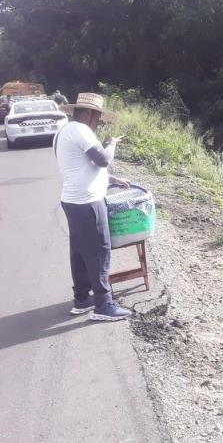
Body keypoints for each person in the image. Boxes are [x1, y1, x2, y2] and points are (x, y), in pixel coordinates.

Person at [54, 92, 131, 321]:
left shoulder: (63, 131)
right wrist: (111, 144)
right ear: (87, 114)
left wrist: (112, 180)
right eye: (97, 117)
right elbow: (103, 160)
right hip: (87, 203)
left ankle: (82, 299)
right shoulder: (81, 130)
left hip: (73, 201)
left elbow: (80, 167)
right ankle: (103, 304)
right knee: (99, 251)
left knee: (79, 252)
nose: (98, 122)